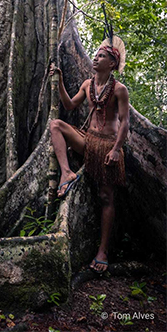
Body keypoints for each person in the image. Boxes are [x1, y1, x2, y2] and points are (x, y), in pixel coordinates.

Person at [49, 36, 129, 274]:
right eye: (96, 54)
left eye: (102, 56)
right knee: (55, 125)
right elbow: (70, 105)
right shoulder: (87, 84)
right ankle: (67, 173)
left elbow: (124, 123)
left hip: (107, 147)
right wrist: (60, 81)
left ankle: (102, 251)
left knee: (106, 197)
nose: (96, 58)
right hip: (87, 140)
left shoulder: (120, 90)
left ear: (112, 63)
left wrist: (116, 150)